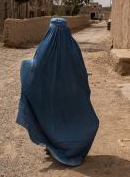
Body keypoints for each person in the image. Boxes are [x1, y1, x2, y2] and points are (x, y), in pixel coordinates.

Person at [16, 18, 99, 167]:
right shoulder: (73, 47)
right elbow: (81, 72)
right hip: (70, 94)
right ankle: (70, 147)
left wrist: (25, 65)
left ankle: (53, 144)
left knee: (50, 117)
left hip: (50, 96)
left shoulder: (45, 46)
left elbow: (35, 69)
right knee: (72, 118)